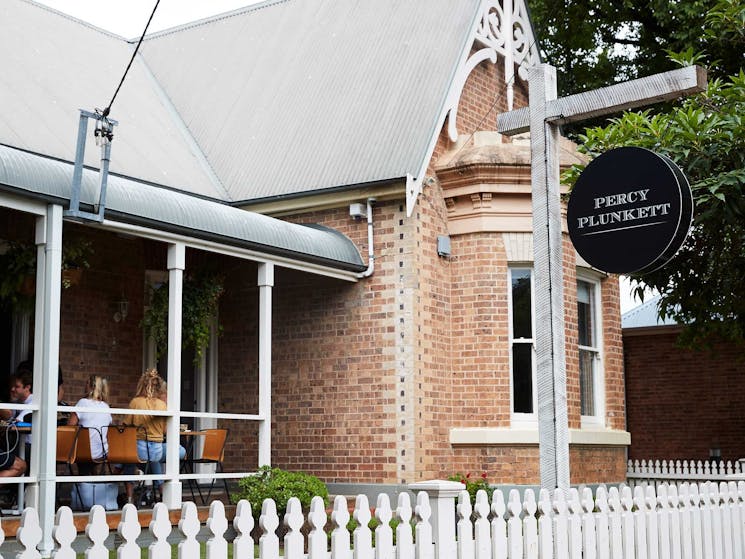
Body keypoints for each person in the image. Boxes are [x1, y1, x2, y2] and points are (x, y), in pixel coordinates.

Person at [67, 375, 112, 474]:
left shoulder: (82, 403)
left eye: (86, 383)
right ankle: (92, 483)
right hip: (102, 452)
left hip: (85, 452)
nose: (84, 386)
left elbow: (69, 427)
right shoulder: (106, 406)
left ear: (92, 386)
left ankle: (83, 483)